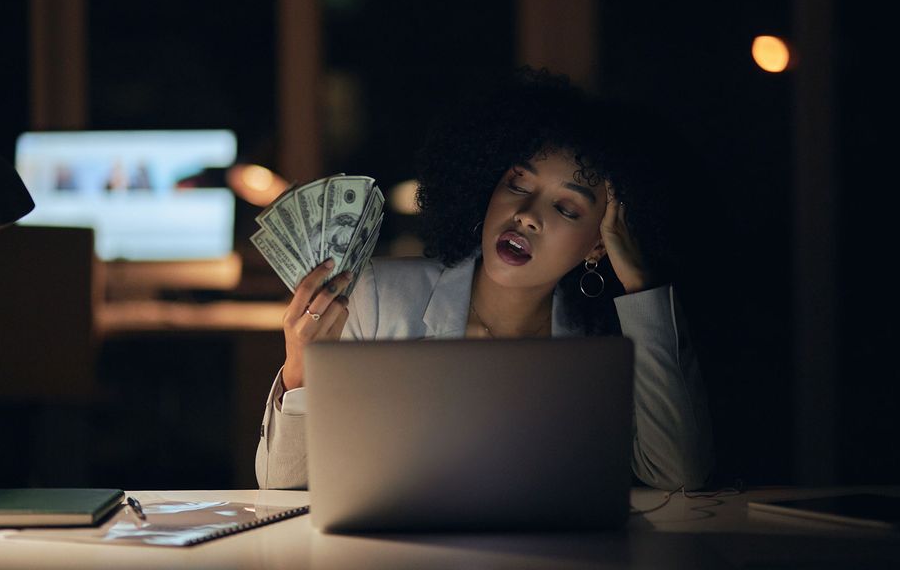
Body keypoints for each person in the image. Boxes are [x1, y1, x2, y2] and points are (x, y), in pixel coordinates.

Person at [256, 68, 714, 491]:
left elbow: (678, 472)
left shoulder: (607, 341)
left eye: (566, 208)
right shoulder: (376, 298)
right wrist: (299, 369)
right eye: (518, 185)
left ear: (600, 242)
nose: (527, 216)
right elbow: (283, 484)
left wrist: (639, 286)